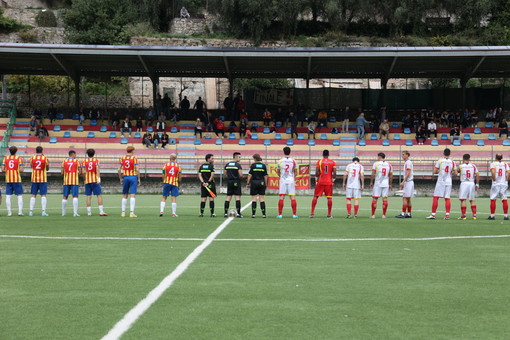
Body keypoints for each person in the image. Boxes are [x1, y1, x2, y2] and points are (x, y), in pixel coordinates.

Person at [427, 148, 456, 220]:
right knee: (447, 198)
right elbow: (456, 173)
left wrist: (439, 172)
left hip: (441, 181)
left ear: (443, 153)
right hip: (449, 181)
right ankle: (447, 215)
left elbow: (434, 171)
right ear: (449, 153)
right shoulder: (452, 162)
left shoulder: (440, 161)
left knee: (436, 197)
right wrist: (451, 172)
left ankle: (433, 214)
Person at [310, 149, 336, 218]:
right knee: (329, 197)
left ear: (322, 154)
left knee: (315, 196)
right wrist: (333, 180)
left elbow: (317, 172)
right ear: (328, 154)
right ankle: (329, 214)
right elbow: (335, 173)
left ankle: (312, 213)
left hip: (320, 181)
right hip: (329, 182)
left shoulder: (319, 161)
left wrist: (316, 179)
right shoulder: (332, 162)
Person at [81, 149, 107, 217]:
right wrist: (99, 178)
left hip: (87, 180)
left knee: (88, 196)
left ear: (87, 154)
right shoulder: (96, 161)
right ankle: (101, 211)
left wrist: (85, 179)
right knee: (99, 195)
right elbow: (97, 170)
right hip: (95, 180)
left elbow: (83, 172)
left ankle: (89, 212)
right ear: (94, 154)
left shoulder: (84, 161)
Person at [1, 146, 24, 216]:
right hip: (17, 179)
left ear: (9, 151)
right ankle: (20, 212)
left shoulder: (5, 158)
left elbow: (2, 169)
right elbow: (21, 170)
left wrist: (8, 170)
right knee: (19, 195)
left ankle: (9, 212)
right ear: (16, 151)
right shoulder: (19, 158)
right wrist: (16, 170)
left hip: (8, 179)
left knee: (8, 196)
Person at [277, 147, 298, 218]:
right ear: (290, 152)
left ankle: (280, 214)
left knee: (281, 197)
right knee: (292, 197)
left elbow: (277, 171)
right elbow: (296, 172)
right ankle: (294, 214)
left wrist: (282, 176)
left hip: (283, 180)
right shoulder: (293, 161)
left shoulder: (280, 161)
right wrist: (292, 177)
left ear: (283, 152)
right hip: (291, 180)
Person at [118, 146, 140, 218]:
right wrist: (139, 179)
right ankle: (131, 212)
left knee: (125, 194)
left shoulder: (122, 158)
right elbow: (137, 169)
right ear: (132, 151)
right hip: (133, 177)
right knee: (132, 194)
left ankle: (123, 212)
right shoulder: (134, 158)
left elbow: (118, 169)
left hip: (125, 177)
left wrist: (120, 178)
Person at [370, 152, 393, 218]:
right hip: (386, 183)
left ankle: (373, 215)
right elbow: (391, 176)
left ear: (379, 157)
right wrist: (390, 184)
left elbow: (373, 174)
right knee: (385, 199)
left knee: (375, 198)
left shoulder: (376, 163)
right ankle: (384, 215)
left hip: (378, 183)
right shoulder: (389, 164)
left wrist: (371, 182)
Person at [488, 154, 510, 220]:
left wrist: (494, 179)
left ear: (495, 157)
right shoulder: (505, 164)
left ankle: (492, 216)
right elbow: (508, 172)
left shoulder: (493, 163)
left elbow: (493, 171)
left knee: (493, 198)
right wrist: (507, 180)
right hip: (503, 183)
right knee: (504, 199)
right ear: (502, 158)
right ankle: (506, 216)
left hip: (496, 183)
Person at [457, 154, 479, 220]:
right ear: (469, 159)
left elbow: (456, 172)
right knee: (472, 200)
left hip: (464, 183)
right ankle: (474, 215)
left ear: (463, 159)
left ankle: (463, 216)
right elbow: (477, 175)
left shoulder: (461, 166)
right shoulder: (473, 166)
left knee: (463, 199)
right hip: (471, 183)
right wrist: (477, 184)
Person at [29, 146, 49, 217]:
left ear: (36, 151)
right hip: (43, 179)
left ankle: (31, 211)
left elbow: (31, 166)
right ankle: (43, 211)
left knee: (33, 195)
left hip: (34, 178)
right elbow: (47, 168)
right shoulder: (45, 158)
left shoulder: (32, 158)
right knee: (43, 195)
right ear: (42, 151)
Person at [246, 153, 268, 218]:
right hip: (261, 182)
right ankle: (263, 214)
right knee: (262, 199)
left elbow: (250, 175)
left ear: (255, 159)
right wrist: (266, 184)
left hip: (254, 182)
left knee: (254, 199)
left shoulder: (253, 165)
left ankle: (253, 214)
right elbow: (265, 176)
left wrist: (247, 183)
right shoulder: (263, 166)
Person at [61, 150, 82, 217]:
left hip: (66, 181)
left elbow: (61, 172)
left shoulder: (64, 161)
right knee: (75, 196)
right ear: (73, 154)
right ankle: (75, 213)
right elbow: (80, 172)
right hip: (74, 181)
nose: (76, 156)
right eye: (75, 154)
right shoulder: (77, 161)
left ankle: (63, 213)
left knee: (65, 196)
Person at [224, 152, 243, 217]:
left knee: (228, 197)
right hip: (236, 181)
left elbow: (224, 174)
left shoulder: (227, 164)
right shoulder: (238, 165)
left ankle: (225, 213)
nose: (240, 158)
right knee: (237, 197)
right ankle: (238, 213)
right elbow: (240, 175)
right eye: (239, 157)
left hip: (229, 181)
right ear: (236, 157)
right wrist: (239, 178)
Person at [395, 151, 414, 218]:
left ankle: (403, 213)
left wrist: (403, 181)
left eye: (403, 155)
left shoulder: (408, 162)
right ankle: (408, 213)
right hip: (409, 182)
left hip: (408, 182)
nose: (402, 156)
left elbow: (408, 173)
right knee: (408, 199)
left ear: (407, 155)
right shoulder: (407, 162)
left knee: (405, 198)